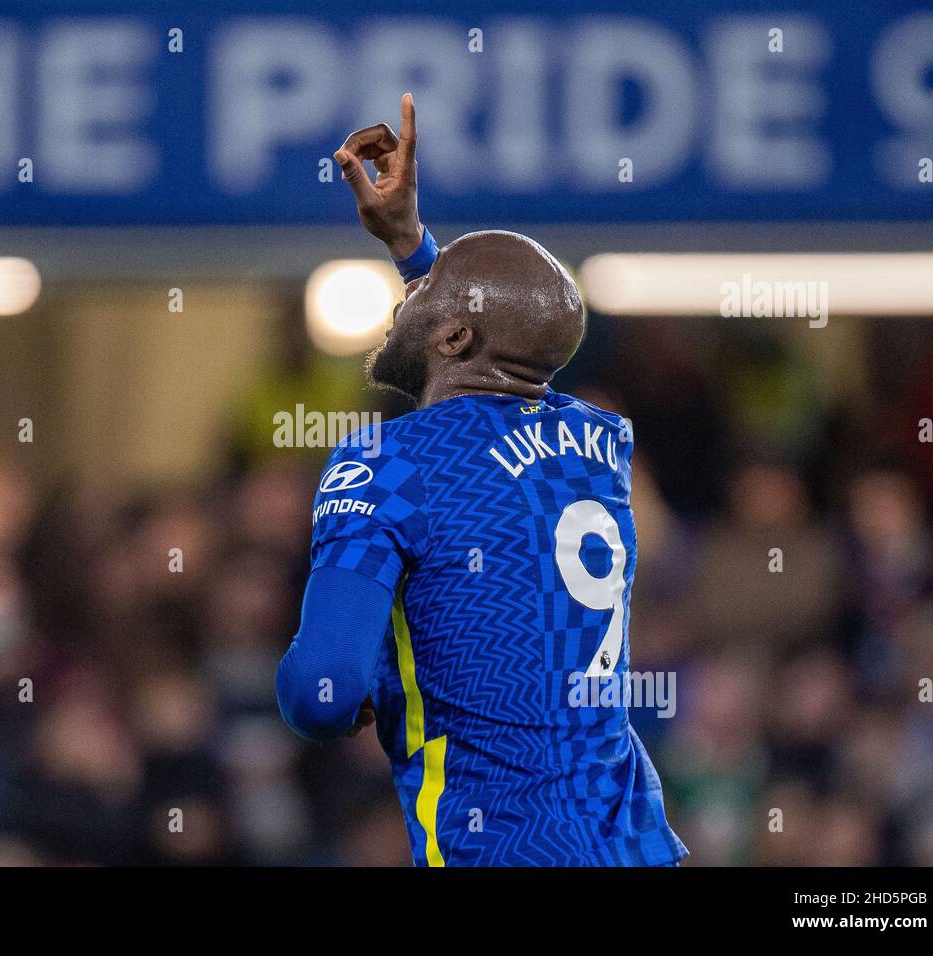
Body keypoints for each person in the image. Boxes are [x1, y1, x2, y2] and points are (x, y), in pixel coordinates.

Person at [275, 94, 686, 866]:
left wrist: (340, 680)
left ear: (455, 333)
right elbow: (508, 347)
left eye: (420, 295)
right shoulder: (599, 445)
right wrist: (413, 249)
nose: (403, 298)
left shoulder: (384, 464)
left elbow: (321, 694)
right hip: (636, 847)